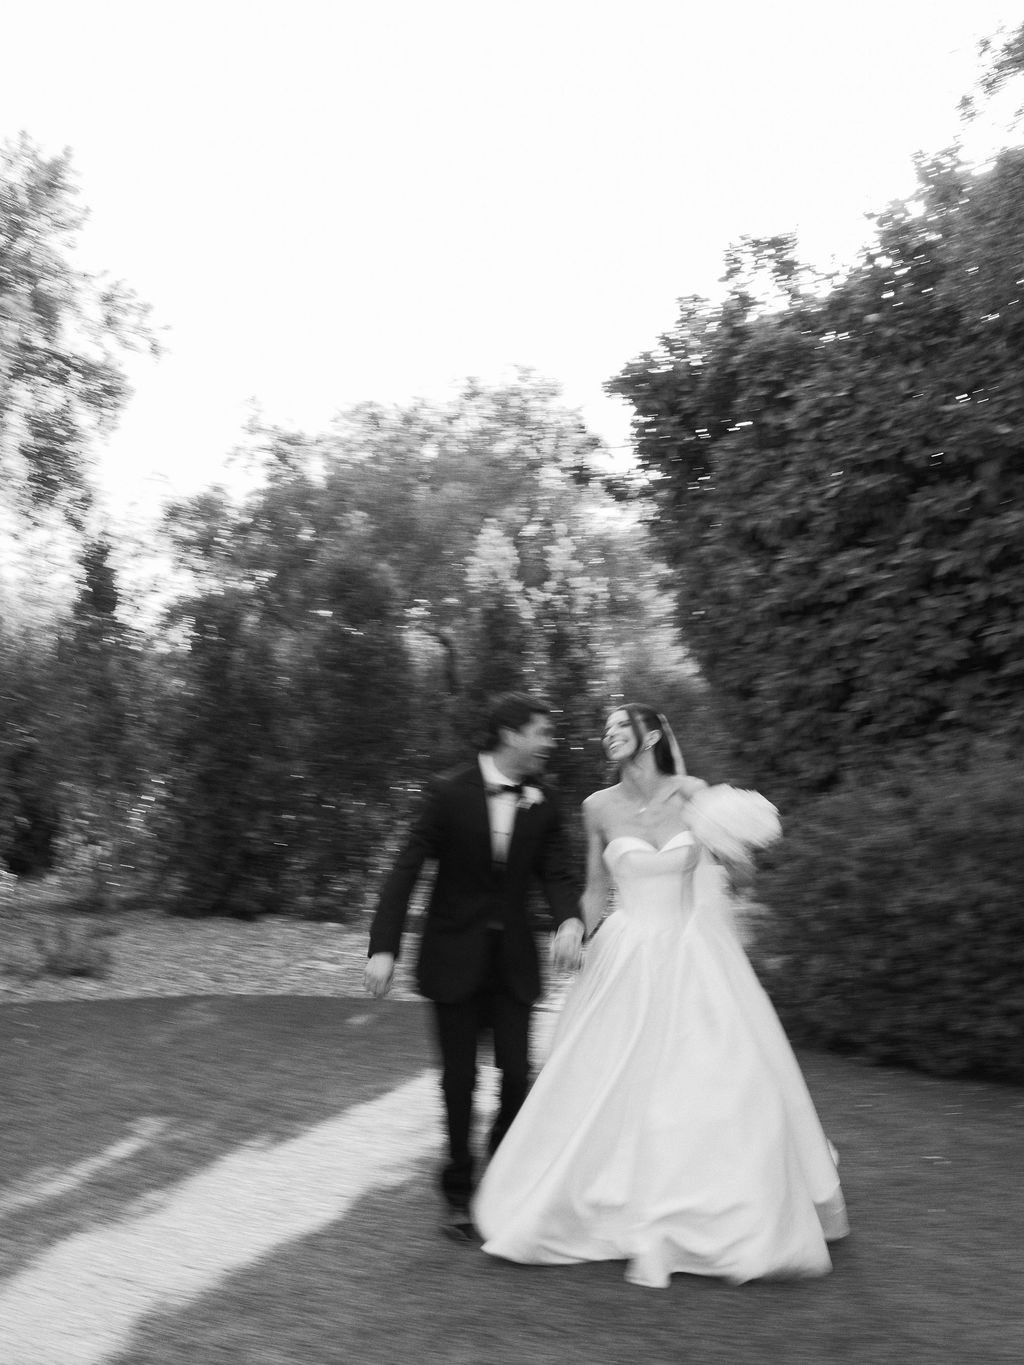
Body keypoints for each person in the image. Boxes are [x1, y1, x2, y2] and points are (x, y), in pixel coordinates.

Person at [473, 702, 849, 1288]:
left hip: (690, 954)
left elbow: (738, 876)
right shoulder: (597, 806)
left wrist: (733, 839)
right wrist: (574, 926)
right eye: (606, 729)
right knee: (608, 1077)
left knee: (711, 1077)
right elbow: (598, 890)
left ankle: (719, 1207)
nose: (611, 734)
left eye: (621, 726)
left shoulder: (691, 793)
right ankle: (595, 1205)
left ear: (649, 735)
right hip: (626, 953)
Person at [364, 692, 584, 1241]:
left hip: (513, 963)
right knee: (458, 1083)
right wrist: (383, 947)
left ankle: (502, 1176)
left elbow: (557, 872)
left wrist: (570, 922)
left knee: (516, 1077)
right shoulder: (446, 793)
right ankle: (459, 1194)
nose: (549, 742)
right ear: (511, 734)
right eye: (542, 732)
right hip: (452, 958)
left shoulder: (546, 800)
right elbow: (405, 869)